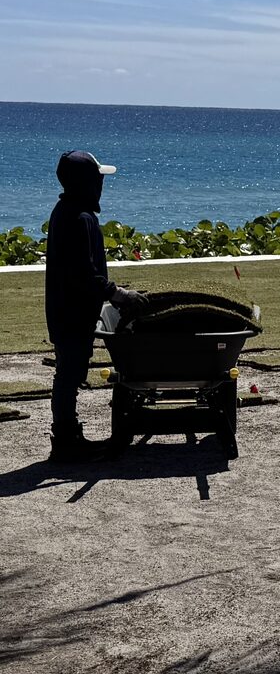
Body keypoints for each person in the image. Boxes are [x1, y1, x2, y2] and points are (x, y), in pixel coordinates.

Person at [44, 150, 144, 463]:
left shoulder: (69, 211)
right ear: (85, 183)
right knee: (69, 375)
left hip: (68, 310)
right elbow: (84, 272)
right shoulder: (79, 217)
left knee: (69, 374)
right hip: (71, 312)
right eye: (97, 179)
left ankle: (68, 434)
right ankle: (65, 439)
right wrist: (117, 294)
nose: (101, 185)